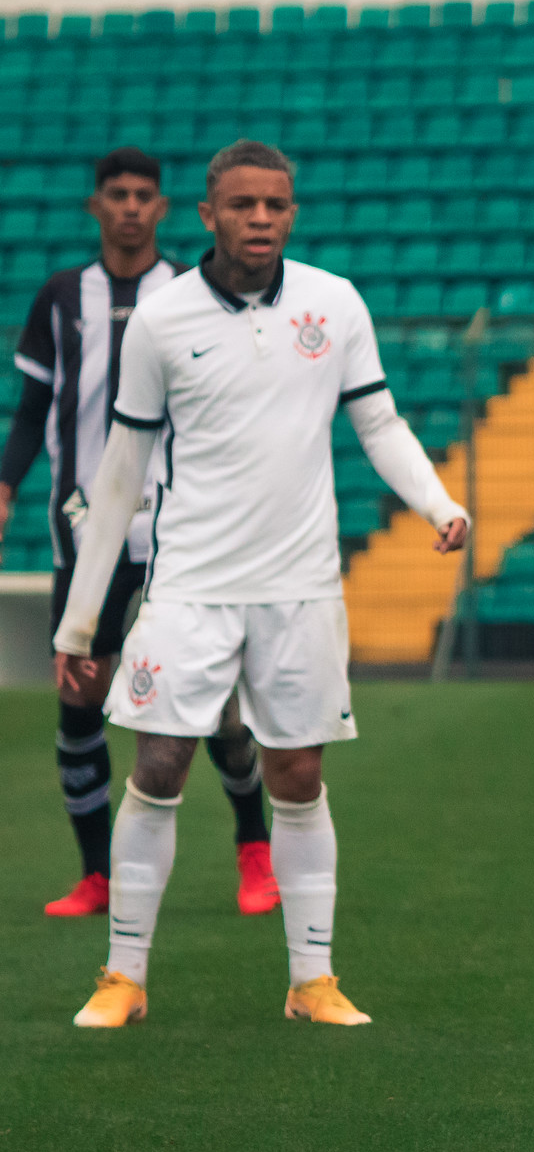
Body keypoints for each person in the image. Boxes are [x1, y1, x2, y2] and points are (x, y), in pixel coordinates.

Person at [61, 140, 469, 1029]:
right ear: (207, 216)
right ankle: (123, 978)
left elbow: (380, 421)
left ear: (292, 213)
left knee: (296, 772)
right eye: (242, 205)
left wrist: (436, 501)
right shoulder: (162, 320)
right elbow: (121, 470)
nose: (259, 219)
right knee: (159, 763)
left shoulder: (335, 303)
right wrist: (80, 621)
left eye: (274, 206)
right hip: (190, 586)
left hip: (301, 587)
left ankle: (311, 981)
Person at [0, 147, 278, 919]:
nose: (129, 206)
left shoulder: (193, 296)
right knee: (80, 703)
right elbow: (31, 412)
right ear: (96, 205)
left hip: (181, 532)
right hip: (83, 531)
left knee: (216, 703)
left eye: (143, 195)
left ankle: (254, 852)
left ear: (163, 209)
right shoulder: (60, 298)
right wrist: (4, 485)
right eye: (116, 194)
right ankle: (99, 875)